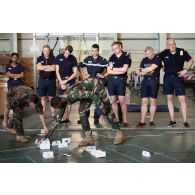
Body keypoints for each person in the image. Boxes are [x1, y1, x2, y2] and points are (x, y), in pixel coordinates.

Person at [50, 78, 125, 146]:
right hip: (87, 92)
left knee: (107, 109)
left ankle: (119, 133)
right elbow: (59, 116)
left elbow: (93, 95)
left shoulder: (73, 95)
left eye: (58, 108)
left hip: (95, 85)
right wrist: (51, 130)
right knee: (81, 111)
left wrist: (101, 106)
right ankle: (88, 137)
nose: (59, 109)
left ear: (61, 102)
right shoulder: (62, 100)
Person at [159, 38, 193, 128]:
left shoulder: (182, 52)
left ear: (175, 43)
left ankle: (185, 121)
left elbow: (190, 60)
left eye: (173, 44)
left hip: (178, 78)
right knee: (169, 98)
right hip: (168, 78)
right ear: (167, 45)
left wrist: (185, 69)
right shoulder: (164, 53)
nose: (172, 46)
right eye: (170, 44)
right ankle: (172, 120)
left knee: (182, 99)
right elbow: (155, 59)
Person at [79, 44, 108, 127]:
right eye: (93, 50)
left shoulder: (102, 60)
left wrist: (104, 75)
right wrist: (84, 75)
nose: (94, 52)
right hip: (88, 83)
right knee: (86, 100)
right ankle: (84, 118)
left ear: (98, 51)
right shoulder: (87, 59)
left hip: (98, 83)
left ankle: (96, 118)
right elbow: (80, 66)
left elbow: (109, 68)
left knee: (99, 102)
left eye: (96, 50)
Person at [107, 41, 131, 127]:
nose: (115, 50)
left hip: (121, 81)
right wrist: (116, 70)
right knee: (113, 100)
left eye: (116, 48)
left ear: (120, 47)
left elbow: (124, 70)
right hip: (111, 81)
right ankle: (116, 119)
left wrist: (113, 68)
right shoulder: (111, 57)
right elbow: (108, 71)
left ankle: (125, 120)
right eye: (113, 49)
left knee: (122, 101)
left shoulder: (125, 57)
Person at [136, 46, 162, 127]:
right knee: (144, 101)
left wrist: (145, 70)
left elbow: (151, 68)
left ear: (152, 52)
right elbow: (139, 72)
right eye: (146, 54)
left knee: (152, 101)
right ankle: (142, 121)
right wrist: (146, 70)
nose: (147, 55)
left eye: (148, 54)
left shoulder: (157, 59)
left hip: (154, 81)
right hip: (145, 81)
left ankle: (151, 121)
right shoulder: (144, 59)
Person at [55, 45, 78, 123]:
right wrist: (61, 81)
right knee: (61, 100)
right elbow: (57, 71)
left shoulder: (73, 58)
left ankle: (67, 118)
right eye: (67, 53)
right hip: (61, 80)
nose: (68, 55)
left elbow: (75, 72)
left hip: (70, 81)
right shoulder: (58, 57)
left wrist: (67, 80)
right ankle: (60, 117)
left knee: (69, 100)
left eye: (69, 53)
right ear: (64, 50)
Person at [2, 53, 24, 129]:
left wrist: (14, 75)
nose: (14, 58)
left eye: (16, 57)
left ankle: (14, 122)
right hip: (11, 87)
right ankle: (5, 121)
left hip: (19, 87)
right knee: (8, 104)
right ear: (11, 58)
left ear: (17, 58)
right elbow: (8, 74)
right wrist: (16, 75)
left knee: (17, 105)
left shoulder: (20, 66)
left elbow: (22, 75)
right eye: (13, 57)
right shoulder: (8, 66)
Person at [36, 45, 56, 118]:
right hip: (42, 81)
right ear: (42, 51)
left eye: (47, 51)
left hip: (51, 81)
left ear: (49, 51)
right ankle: (43, 113)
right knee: (43, 98)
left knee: (51, 98)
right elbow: (38, 67)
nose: (46, 52)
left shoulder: (53, 58)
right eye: (45, 51)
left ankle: (53, 114)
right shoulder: (39, 58)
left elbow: (53, 68)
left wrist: (43, 67)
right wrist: (48, 66)